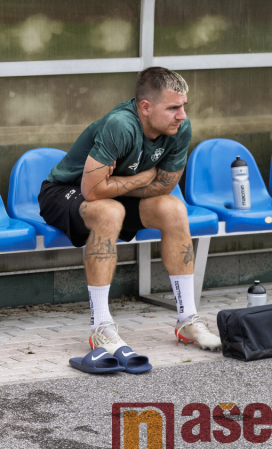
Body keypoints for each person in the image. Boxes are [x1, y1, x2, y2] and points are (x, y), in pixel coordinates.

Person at [38, 66, 221, 354]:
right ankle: (101, 327)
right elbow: (92, 191)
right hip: (63, 192)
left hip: (112, 195)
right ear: (145, 107)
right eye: (173, 108)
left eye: (183, 105)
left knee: (173, 209)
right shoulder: (121, 125)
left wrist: (114, 184)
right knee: (109, 211)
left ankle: (187, 320)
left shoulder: (179, 128)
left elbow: (165, 185)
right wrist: (142, 177)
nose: (182, 115)